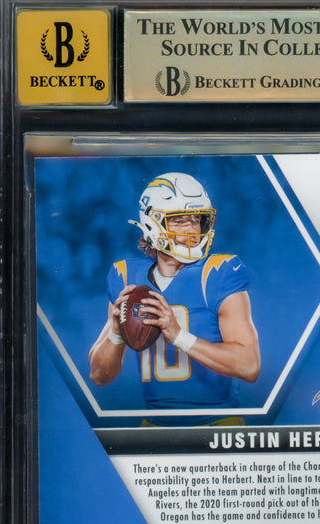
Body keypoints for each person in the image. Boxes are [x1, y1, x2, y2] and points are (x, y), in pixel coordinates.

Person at [89, 172, 260, 425]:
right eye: (179, 221)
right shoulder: (126, 279)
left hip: (218, 425)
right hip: (154, 428)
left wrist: (179, 335)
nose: (191, 229)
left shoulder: (217, 274)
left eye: (196, 220)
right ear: (152, 223)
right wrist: (116, 333)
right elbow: (99, 376)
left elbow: (249, 366)